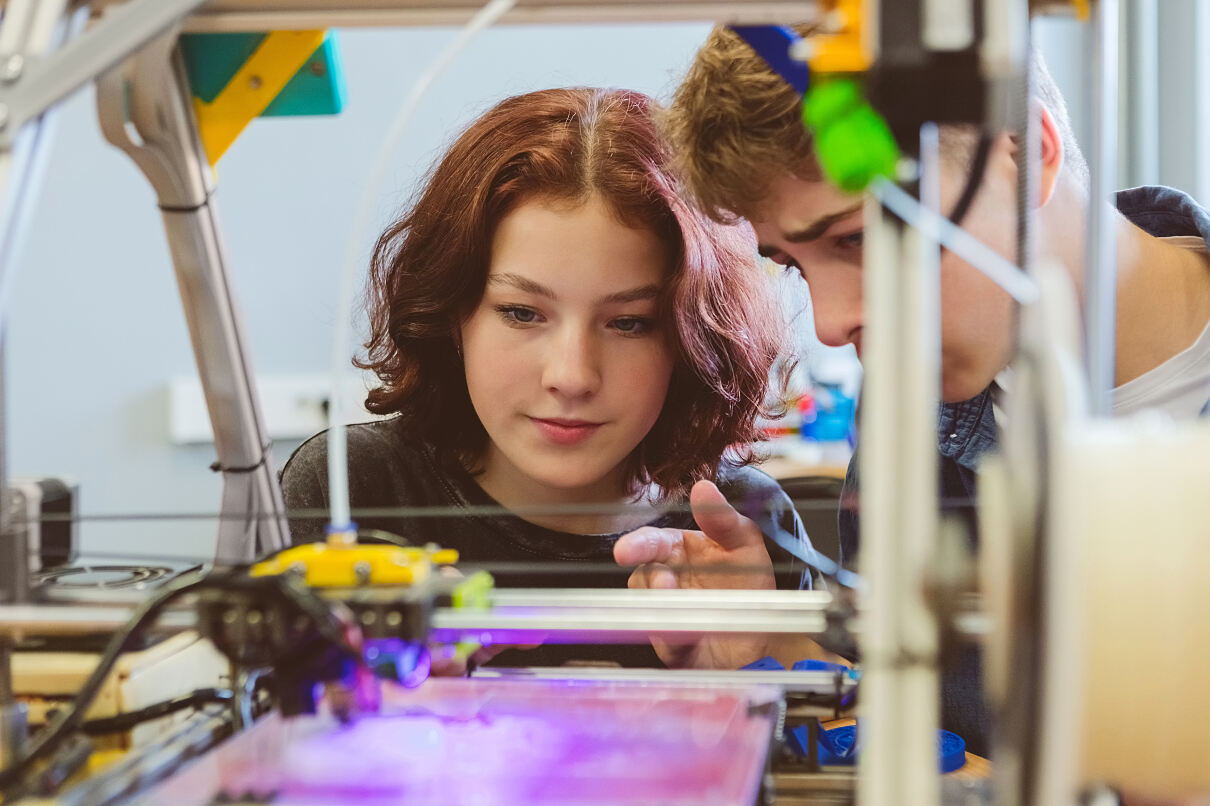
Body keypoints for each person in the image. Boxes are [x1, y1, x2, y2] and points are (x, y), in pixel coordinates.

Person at [615, 23, 1210, 756]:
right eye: (794, 264)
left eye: (858, 238)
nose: (831, 324)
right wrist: (775, 642)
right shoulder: (914, 407)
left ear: (1029, 157)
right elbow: (923, 732)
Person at [280, 86, 824, 671]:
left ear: (694, 340)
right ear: (451, 314)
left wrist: (753, 665)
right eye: (521, 313)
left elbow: (833, 709)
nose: (572, 376)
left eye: (629, 323)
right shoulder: (355, 490)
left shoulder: (739, 523)